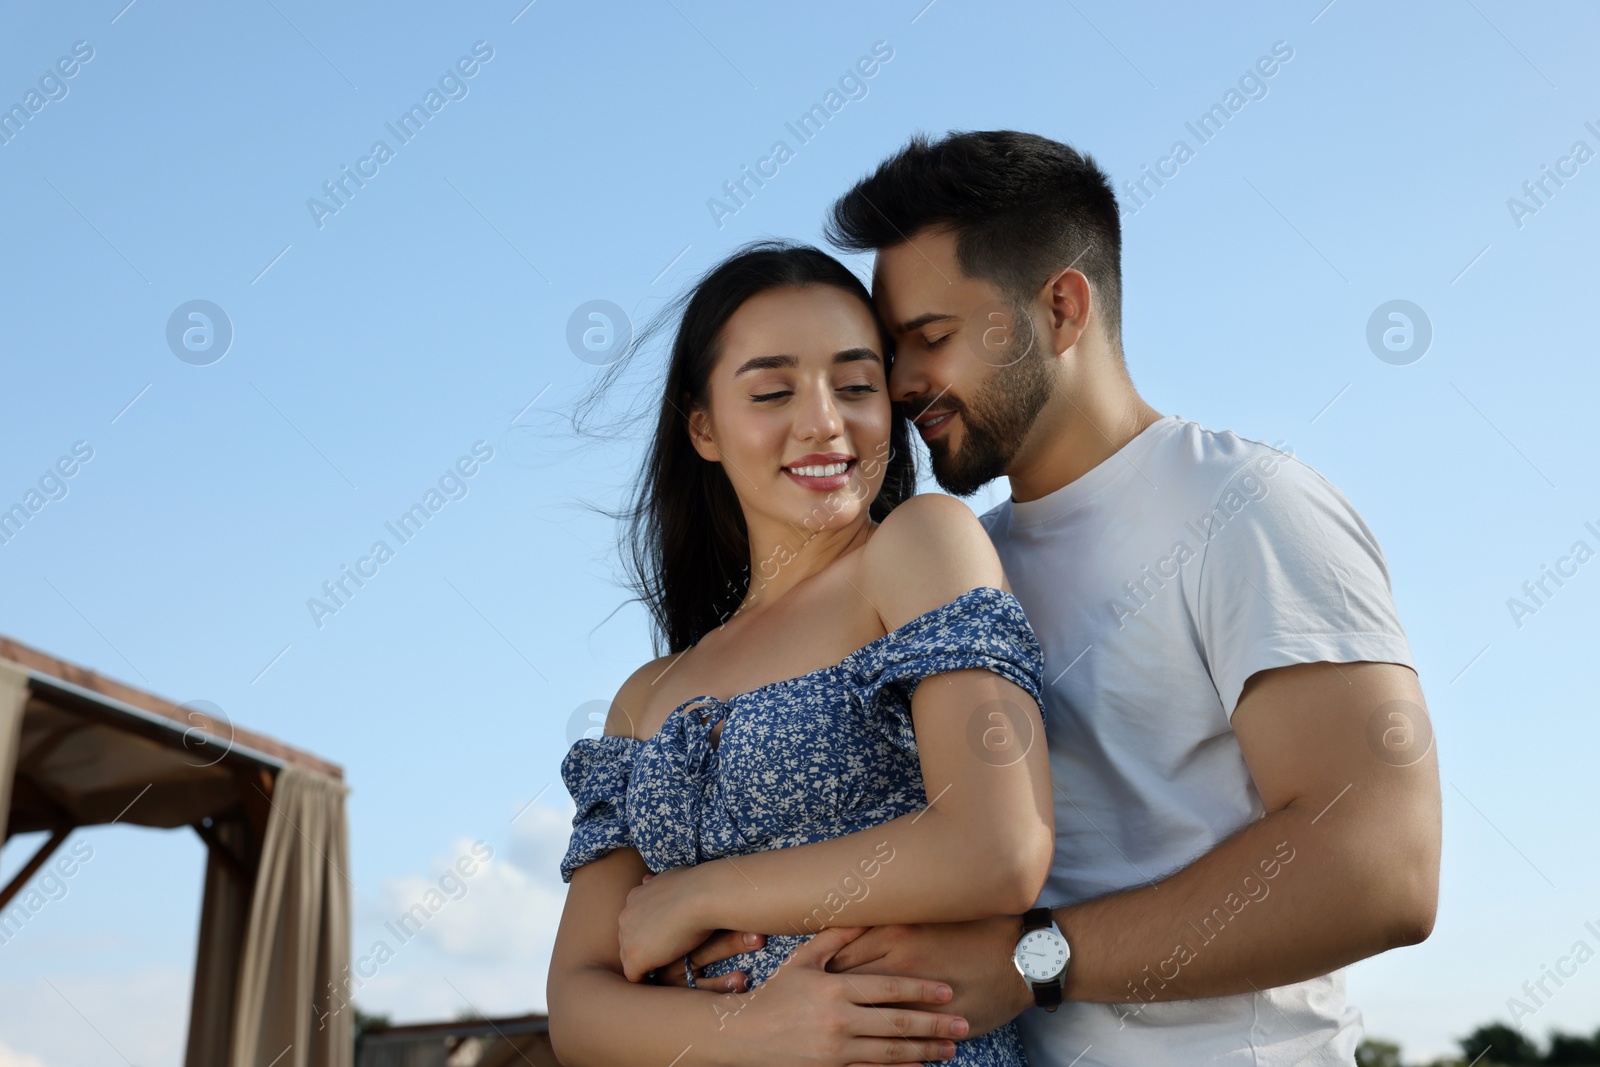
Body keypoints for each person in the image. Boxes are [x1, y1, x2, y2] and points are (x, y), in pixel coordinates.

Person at [660, 132, 1443, 1066]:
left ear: (1062, 308)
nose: (902, 386)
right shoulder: (950, 569)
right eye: (890, 350)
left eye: (933, 340)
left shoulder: (1245, 507)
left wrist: (1036, 958)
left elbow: (1382, 869)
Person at [546, 241, 1060, 1065]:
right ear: (704, 427)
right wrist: (751, 1030)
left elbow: (1000, 849)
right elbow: (577, 1005)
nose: (825, 420)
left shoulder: (918, 548)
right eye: (774, 390)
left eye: (857, 386)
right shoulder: (647, 694)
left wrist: (701, 893)